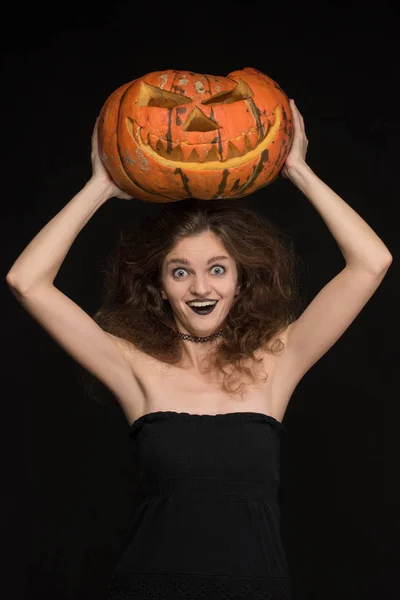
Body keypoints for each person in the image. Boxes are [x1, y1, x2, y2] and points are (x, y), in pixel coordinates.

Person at [6, 99, 392, 599]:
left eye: (217, 268)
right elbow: (26, 281)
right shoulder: (135, 369)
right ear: (160, 286)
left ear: (239, 281)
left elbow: (372, 262)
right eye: (180, 271)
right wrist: (101, 183)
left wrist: (296, 167)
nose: (200, 288)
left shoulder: (276, 362)